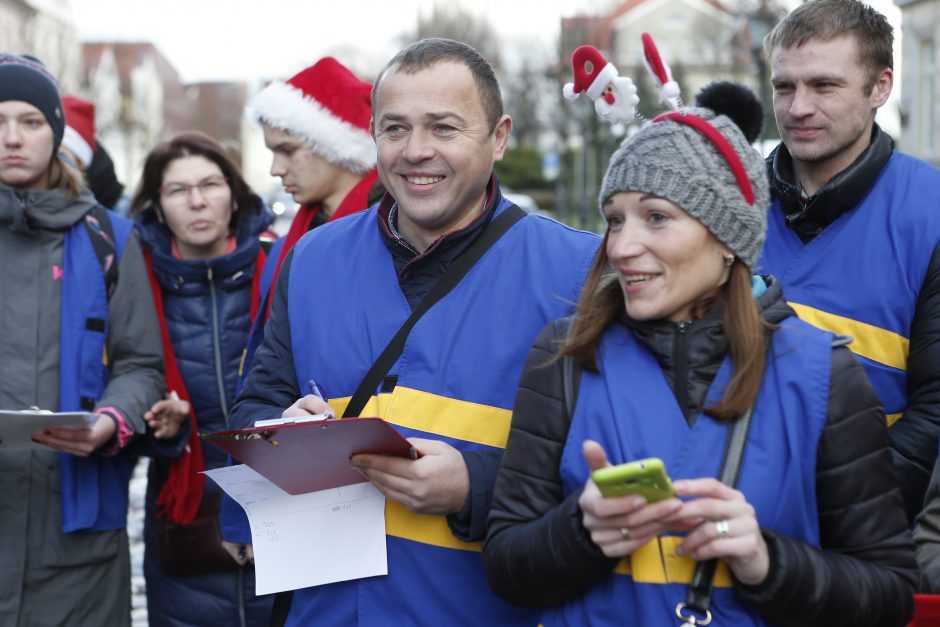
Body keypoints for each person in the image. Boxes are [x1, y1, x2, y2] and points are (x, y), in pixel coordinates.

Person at [483, 82, 917, 626]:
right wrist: (581, 530)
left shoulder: (821, 372)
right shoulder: (567, 355)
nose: (620, 246)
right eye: (615, 218)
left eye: (656, 217)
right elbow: (506, 567)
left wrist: (766, 561)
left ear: (727, 236)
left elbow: (889, 594)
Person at [222, 38, 600, 625]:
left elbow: (612, 464)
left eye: (444, 128)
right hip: (328, 610)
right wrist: (279, 435)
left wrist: (475, 487)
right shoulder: (313, 258)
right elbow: (259, 400)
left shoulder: (577, 271)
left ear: (499, 137)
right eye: (394, 129)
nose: (415, 151)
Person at [757, 0, 940, 523]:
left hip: (859, 539)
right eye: (785, 86)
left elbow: (933, 418)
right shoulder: (727, 205)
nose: (797, 108)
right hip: (713, 529)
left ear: (880, 87)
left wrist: (827, 508)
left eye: (824, 86)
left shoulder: (930, 214)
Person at [0, 53, 164, 625]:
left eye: (29, 121)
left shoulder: (109, 238)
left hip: (76, 545)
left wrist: (112, 420)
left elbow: (142, 363)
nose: (12, 138)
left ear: (55, 132)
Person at [129, 131, 276, 626]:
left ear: (234, 194)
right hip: (183, 515)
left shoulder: (281, 265)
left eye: (210, 184)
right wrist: (157, 424)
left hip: (280, 509)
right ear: (156, 205)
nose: (196, 201)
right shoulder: (132, 279)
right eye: (176, 190)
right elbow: (116, 382)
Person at [237, 56, 383, 380]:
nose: (276, 168)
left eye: (287, 150)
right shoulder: (287, 246)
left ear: (334, 145)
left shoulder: (396, 234)